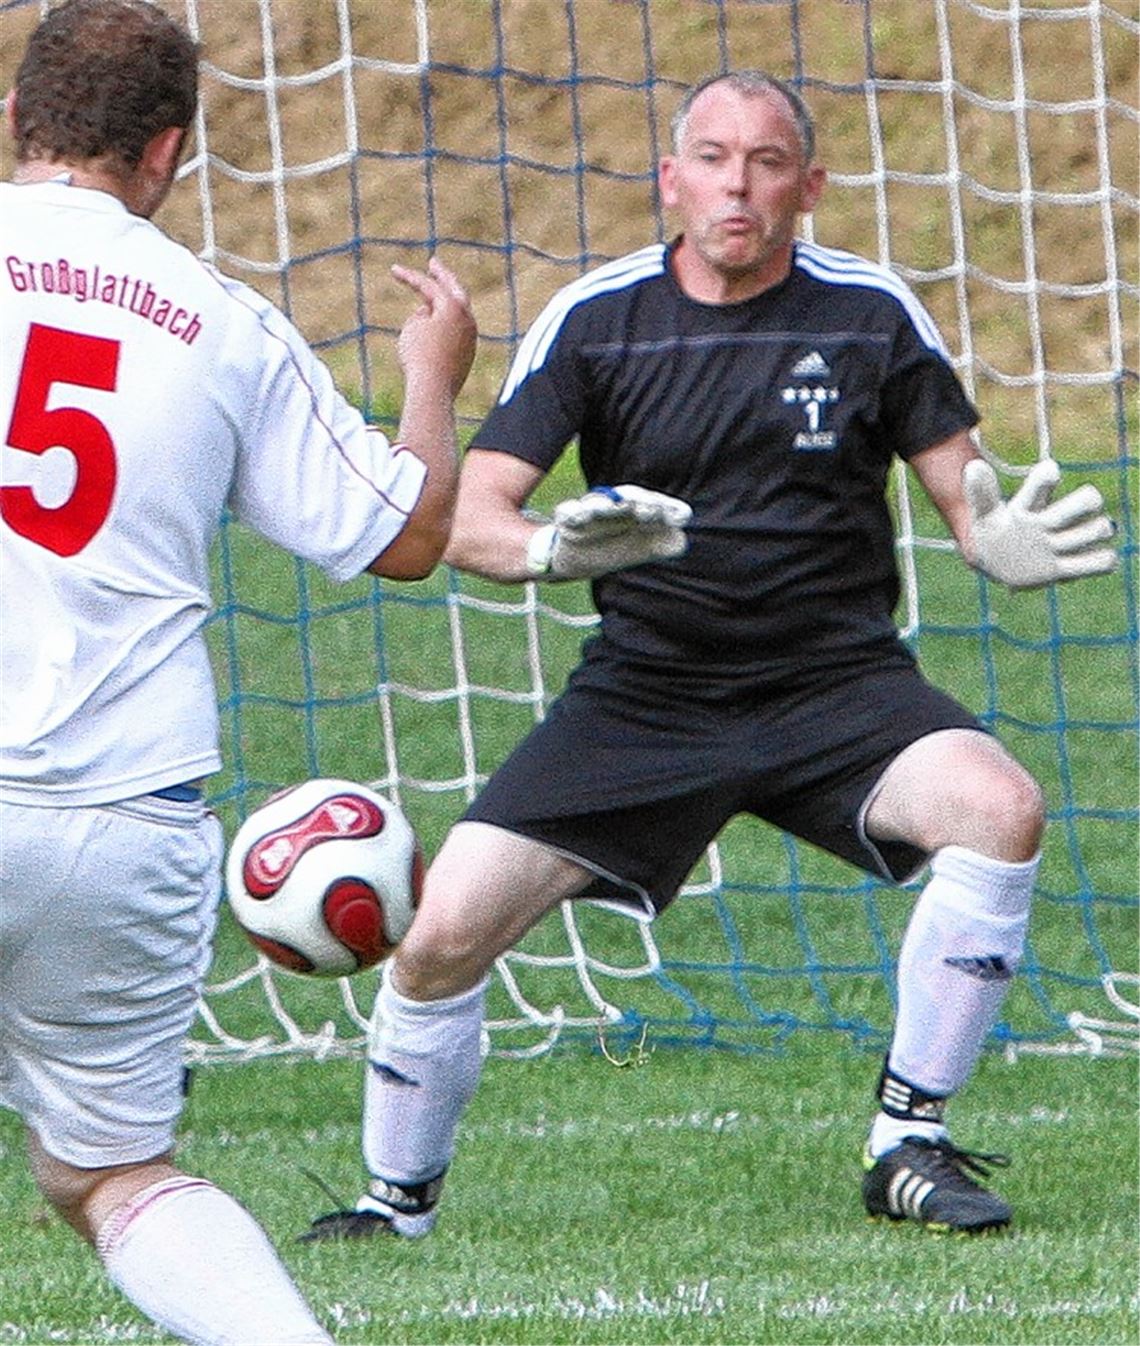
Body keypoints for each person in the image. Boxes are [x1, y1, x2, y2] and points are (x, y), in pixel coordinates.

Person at [301, 70, 1116, 1245]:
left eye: (769, 162)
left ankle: (908, 1141)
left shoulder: (870, 313)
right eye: (715, 159)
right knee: (439, 935)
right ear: (671, 180)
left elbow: (968, 497)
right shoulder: (599, 319)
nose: (740, 185)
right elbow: (470, 515)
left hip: (838, 685)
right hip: (645, 697)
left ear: (810, 187)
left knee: (1002, 808)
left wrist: (1000, 542)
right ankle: (394, 1205)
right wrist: (550, 550)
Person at [0, 2, 476, 1342]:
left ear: (14, 121)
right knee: (109, 1174)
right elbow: (405, 533)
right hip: (123, 814)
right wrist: (432, 376)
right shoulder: (220, 321)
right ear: (168, 151)